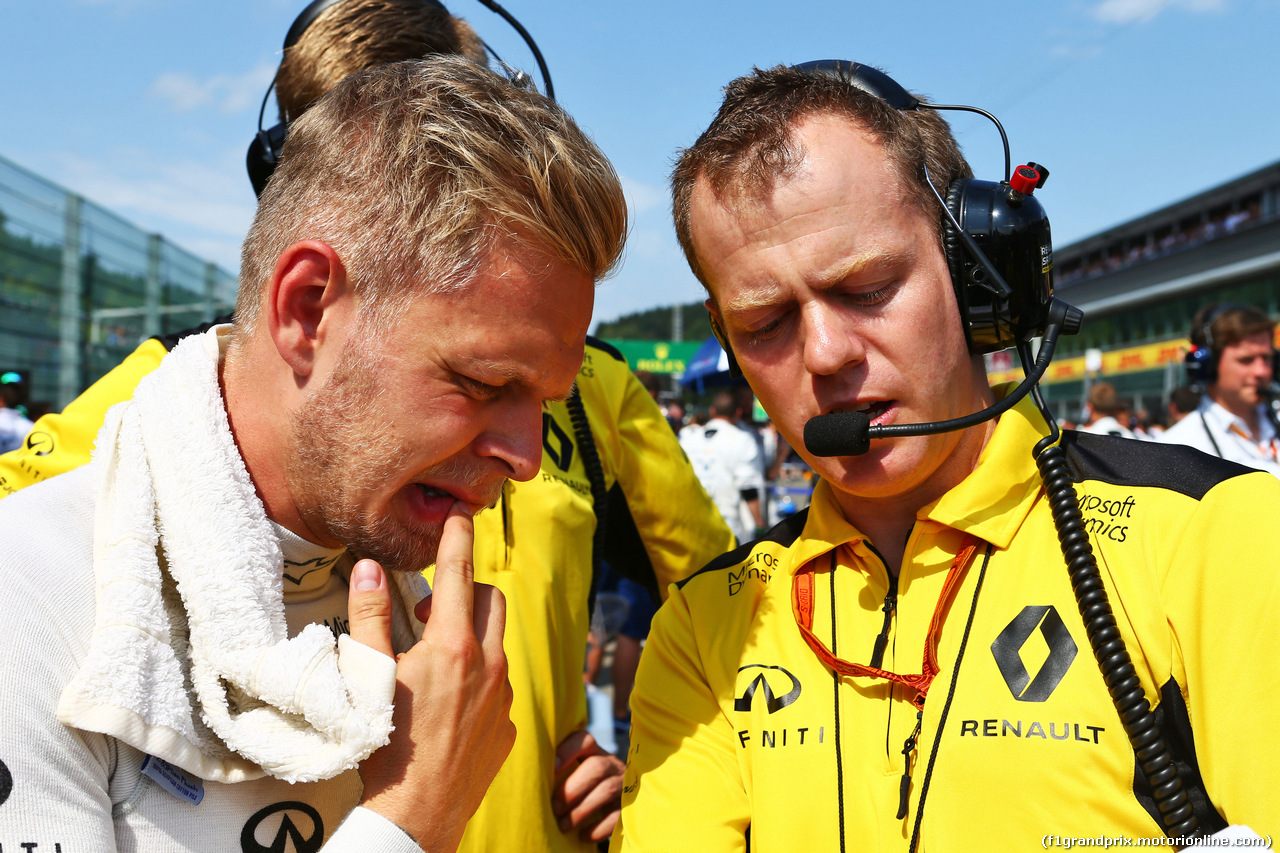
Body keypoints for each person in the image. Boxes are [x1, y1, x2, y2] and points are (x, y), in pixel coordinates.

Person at [0, 3, 733, 847]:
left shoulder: (585, 391)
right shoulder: (44, 584)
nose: (525, 458)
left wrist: (658, 771)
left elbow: (712, 597)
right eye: (481, 382)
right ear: (307, 306)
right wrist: (410, 819)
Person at [612, 62, 1279, 851]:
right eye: (764, 324)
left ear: (980, 282)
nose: (824, 354)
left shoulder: (1220, 535)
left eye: (866, 288)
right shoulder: (703, 622)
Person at [1160, 303, 1280, 477]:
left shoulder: (1274, 420)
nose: (1262, 371)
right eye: (1246, 360)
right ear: (1209, 365)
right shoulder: (1178, 449)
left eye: (1267, 358)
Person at [679, 390, 765, 543]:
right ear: (738, 413)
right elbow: (748, 487)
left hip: (691, 523)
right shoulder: (742, 439)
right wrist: (759, 524)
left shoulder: (688, 438)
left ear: (712, 411)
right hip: (728, 526)